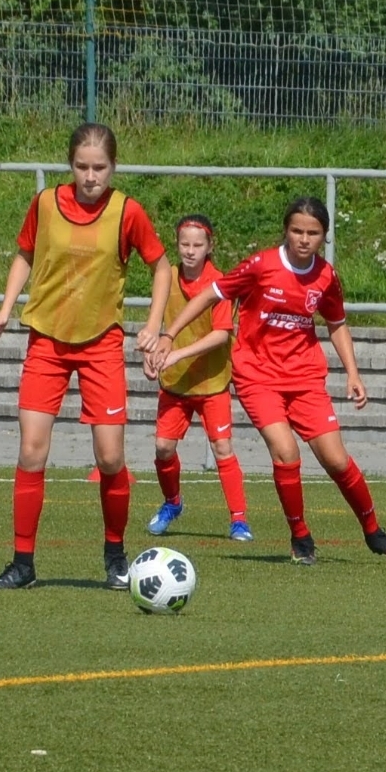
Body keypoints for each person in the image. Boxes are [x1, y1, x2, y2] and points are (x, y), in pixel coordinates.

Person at [147, 198, 386, 565]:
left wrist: (352, 372)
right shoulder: (261, 265)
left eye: (312, 233)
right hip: (257, 376)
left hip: (305, 377)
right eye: (297, 230)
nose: (304, 238)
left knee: (336, 459)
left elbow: (336, 323)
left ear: (324, 236)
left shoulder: (326, 276)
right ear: (286, 231)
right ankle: (300, 537)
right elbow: (211, 293)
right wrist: (168, 335)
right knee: (286, 452)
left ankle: (374, 532)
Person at [0, 124, 170, 592]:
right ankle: (22, 564)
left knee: (110, 457)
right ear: (70, 165)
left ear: (114, 167)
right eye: (82, 167)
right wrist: (6, 308)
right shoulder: (46, 203)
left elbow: (162, 267)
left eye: (99, 167)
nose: (90, 176)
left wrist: (153, 325)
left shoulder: (127, 211)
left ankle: (116, 557)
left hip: (101, 344)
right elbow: (25, 254)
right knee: (31, 451)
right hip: (46, 342)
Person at [145, 215, 254, 542]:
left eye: (197, 245)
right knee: (163, 447)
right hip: (175, 382)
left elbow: (221, 335)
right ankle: (172, 503)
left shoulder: (219, 283)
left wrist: (178, 353)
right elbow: (156, 323)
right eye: (184, 244)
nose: (190, 251)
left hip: (211, 383)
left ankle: (239, 520)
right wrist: (151, 355)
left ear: (209, 247)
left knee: (222, 447)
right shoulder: (167, 277)